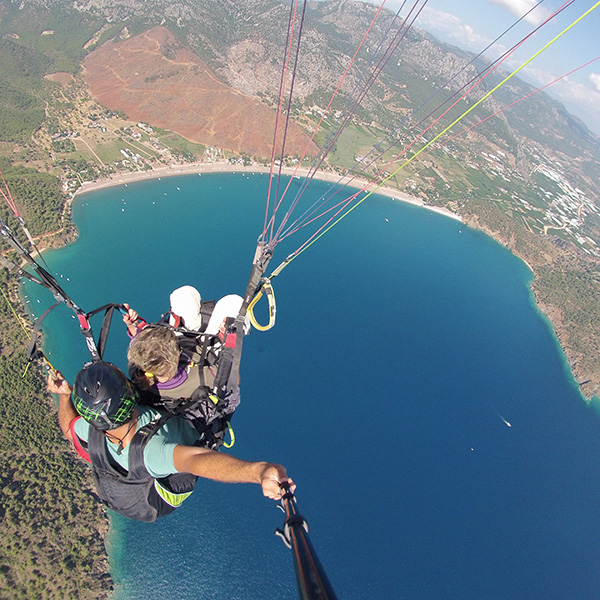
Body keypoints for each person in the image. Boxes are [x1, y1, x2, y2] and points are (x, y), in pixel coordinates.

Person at [48, 361, 293, 523]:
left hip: (126, 487)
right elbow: (198, 460)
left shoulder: (88, 429)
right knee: (224, 392)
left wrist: (64, 396)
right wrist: (258, 472)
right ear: (130, 393)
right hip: (158, 493)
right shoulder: (152, 452)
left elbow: (69, 430)